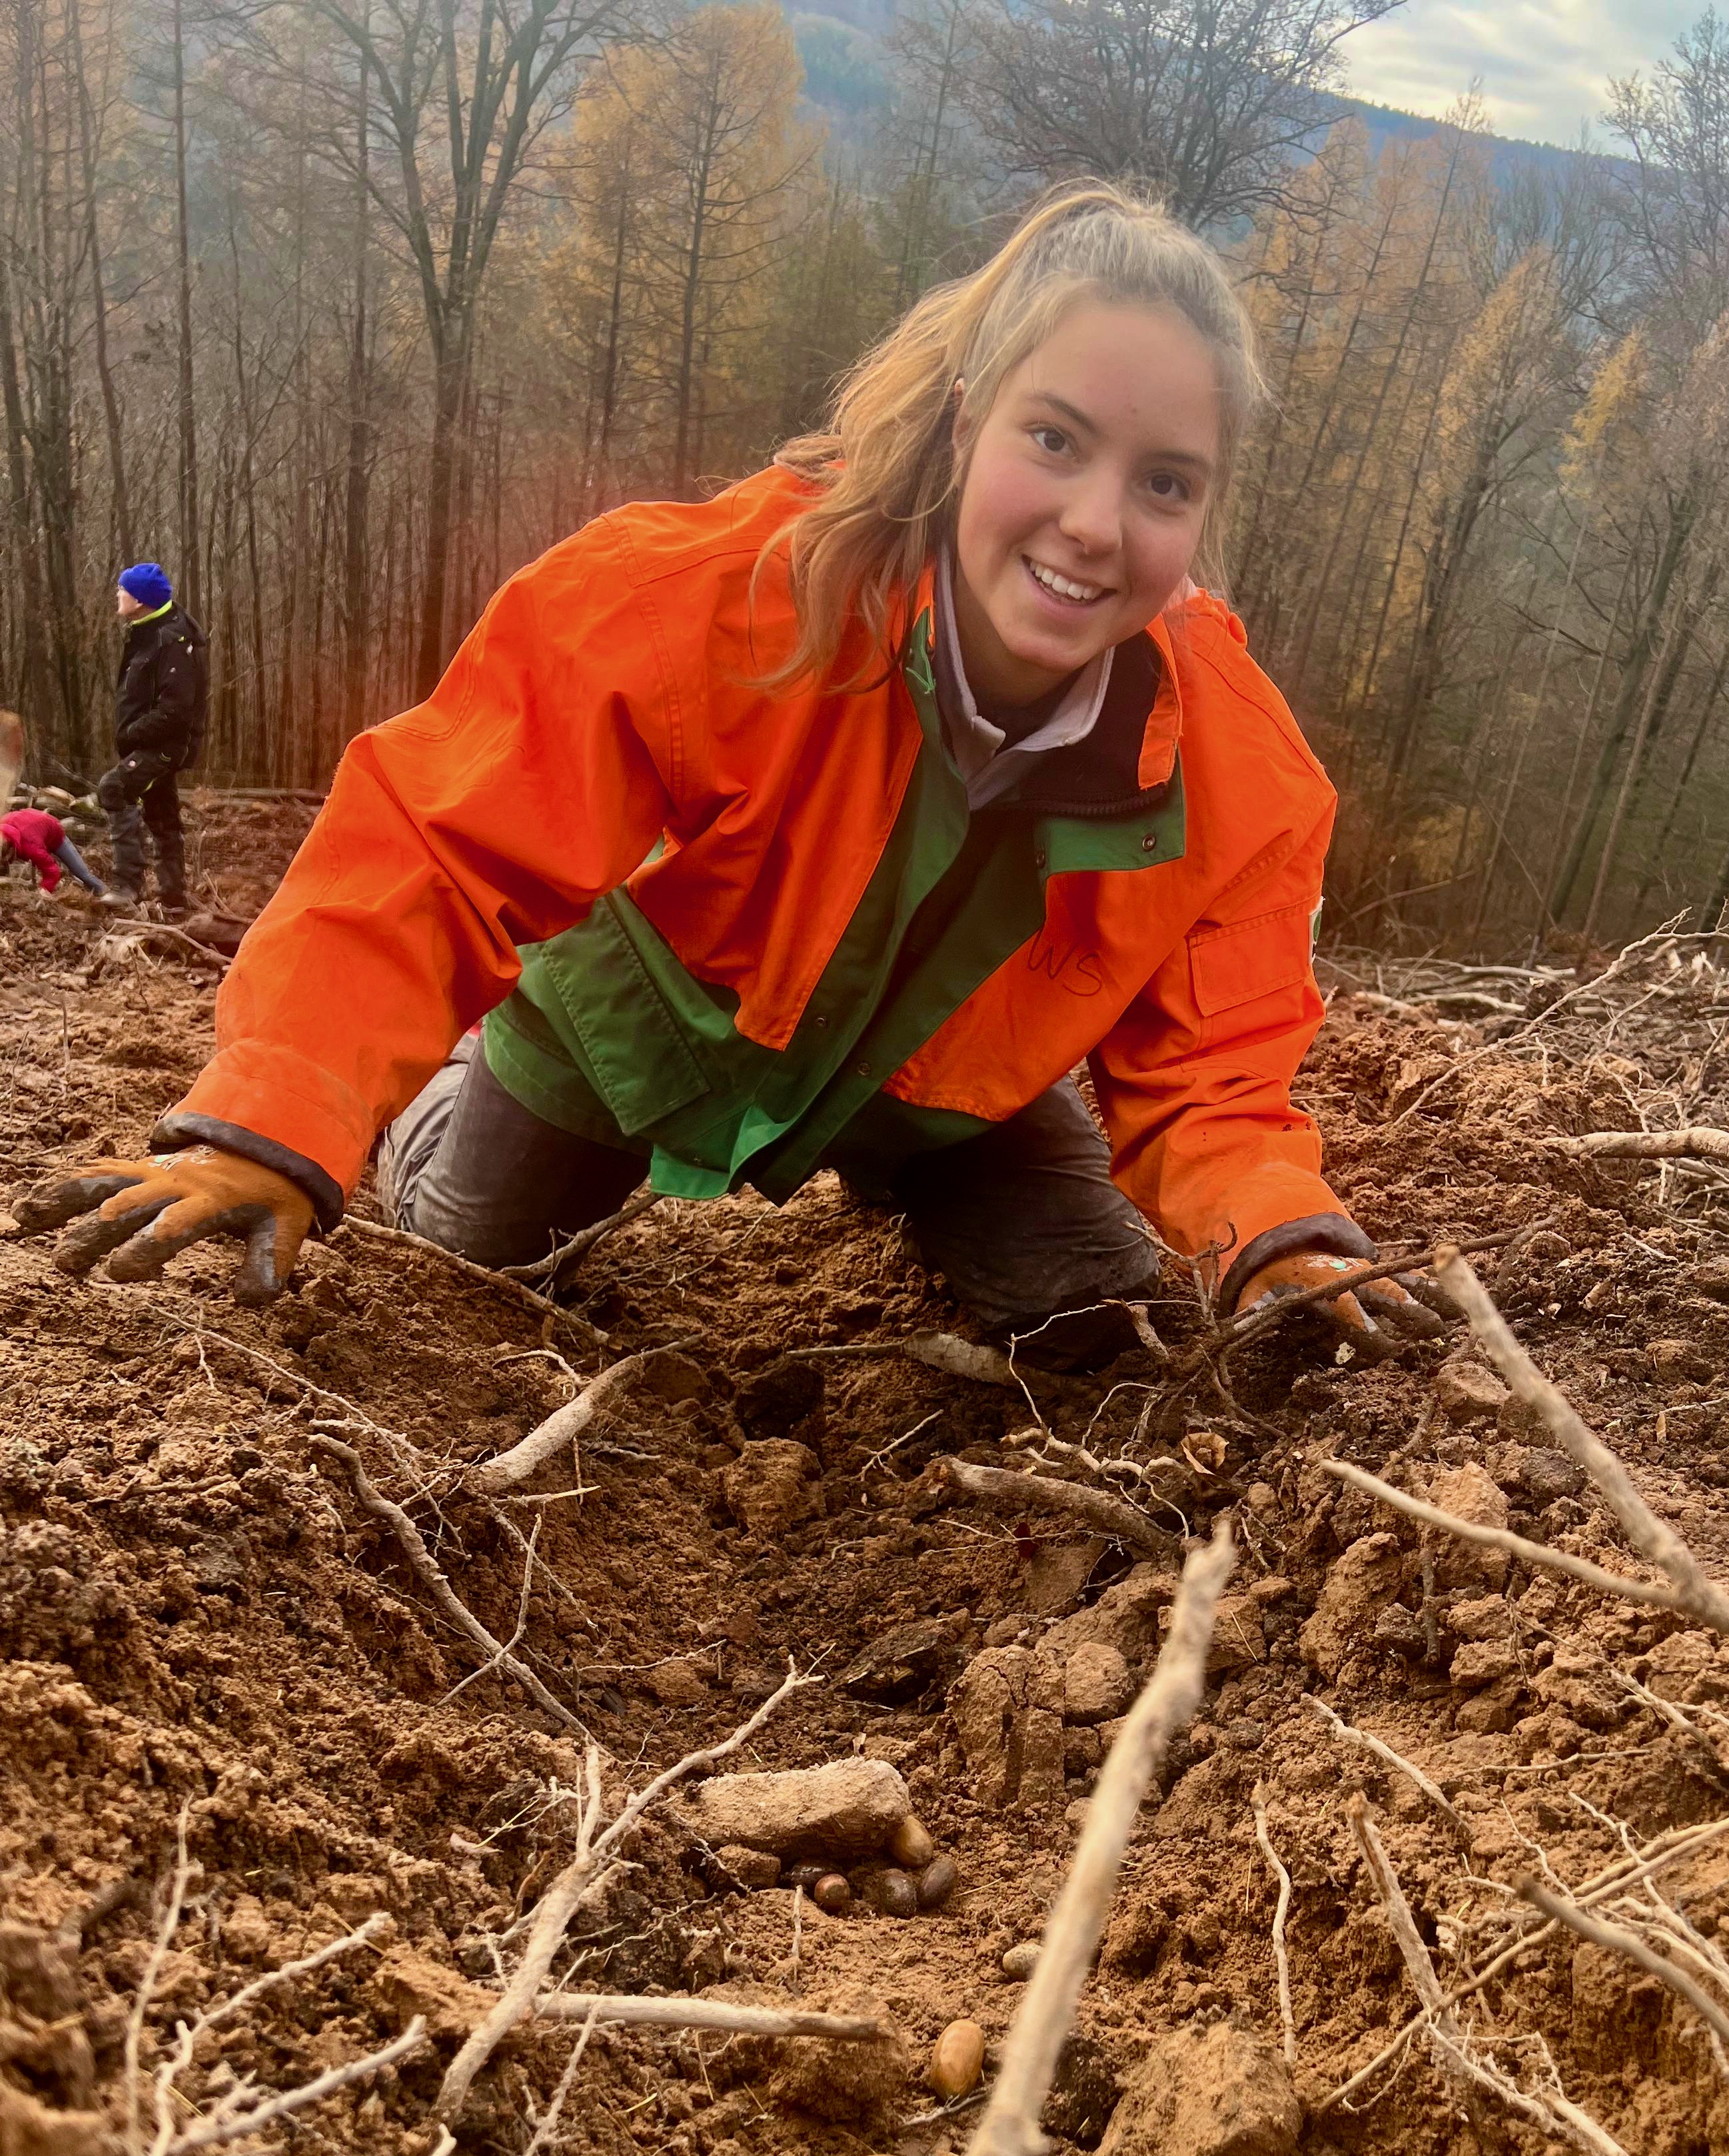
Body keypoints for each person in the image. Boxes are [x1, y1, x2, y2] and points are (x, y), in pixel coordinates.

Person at [21, 185, 1437, 1364]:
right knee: (472, 1263)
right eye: (1054, 439)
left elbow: (1212, 1071)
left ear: (1203, 514)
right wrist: (276, 1117)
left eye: (1164, 481)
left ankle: (927, 1192)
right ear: (964, 426)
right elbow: (436, 840)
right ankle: (448, 1081)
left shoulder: (1240, 776)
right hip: (637, 1035)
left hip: (948, 1094)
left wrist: (1274, 1232)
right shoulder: (723, 600)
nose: (1093, 523)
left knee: (1099, 1322)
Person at [99, 564, 208, 911]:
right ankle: (173, 896)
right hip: (152, 744)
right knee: (162, 814)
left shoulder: (173, 641)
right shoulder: (148, 633)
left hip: (163, 746)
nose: (118, 593)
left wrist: (131, 733)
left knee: (114, 788)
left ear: (141, 600)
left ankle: (127, 885)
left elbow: (176, 710)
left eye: (123, 589)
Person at [1, 803, 109, 897]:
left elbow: (53, 872)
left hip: (55, 835)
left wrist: (44, 891)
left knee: (81, 873)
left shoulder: (31, 848)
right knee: (47, 863)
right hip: (37, 831)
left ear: (11, 850)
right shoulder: (4, 832)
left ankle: (103, 891)